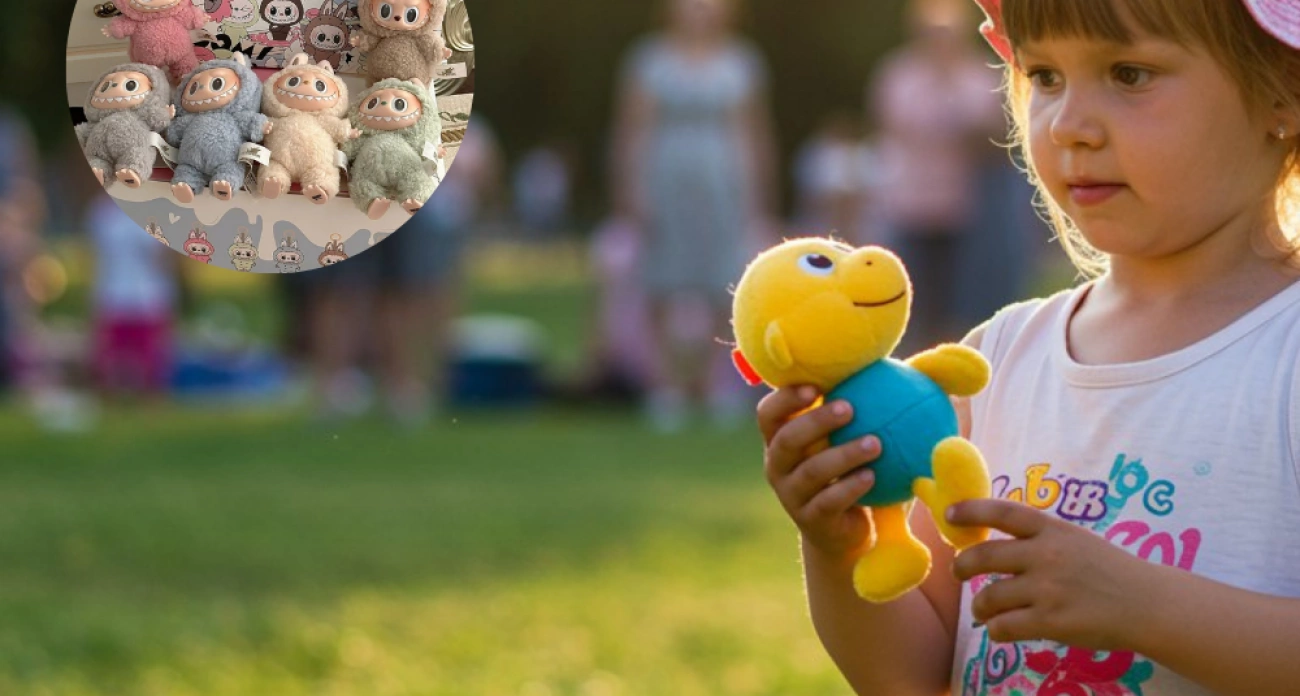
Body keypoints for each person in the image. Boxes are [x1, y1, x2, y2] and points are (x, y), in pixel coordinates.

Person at [756, 0, 1300, 693]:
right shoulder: (997, 360)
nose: (1069, 124)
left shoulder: (1285, 353)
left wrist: (1146, 608)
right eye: (1045, 77)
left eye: (1129, 74)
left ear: (1282, 93)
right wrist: (841, 545)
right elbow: (911, 678)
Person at [611, 0, 780, 432]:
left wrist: (759, 196)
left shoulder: (741, 62)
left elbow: (754, 132)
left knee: (723, 283)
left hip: (723, 182)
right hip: (665, 180)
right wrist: (632, 187)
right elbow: (633, 129)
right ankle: (666, 385)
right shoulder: (650, 60)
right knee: (662, 281)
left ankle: (712, 383)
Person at [870, 0, 1005, 351]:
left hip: (966, 204)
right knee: (913, 294)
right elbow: (897, 128)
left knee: (962, 298)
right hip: (910, 201)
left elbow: (992, 133)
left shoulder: (979, 75)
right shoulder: (899, 74)